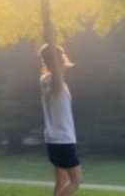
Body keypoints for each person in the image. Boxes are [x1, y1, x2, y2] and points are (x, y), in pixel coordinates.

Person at [39, 44, 82, 196]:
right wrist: (50, 34)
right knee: (76, 181)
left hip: (52, 139)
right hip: (63, 139)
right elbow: (56, 69)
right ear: (59, 60)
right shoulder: (56, 83)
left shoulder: (44, 80)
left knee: (61, 179)